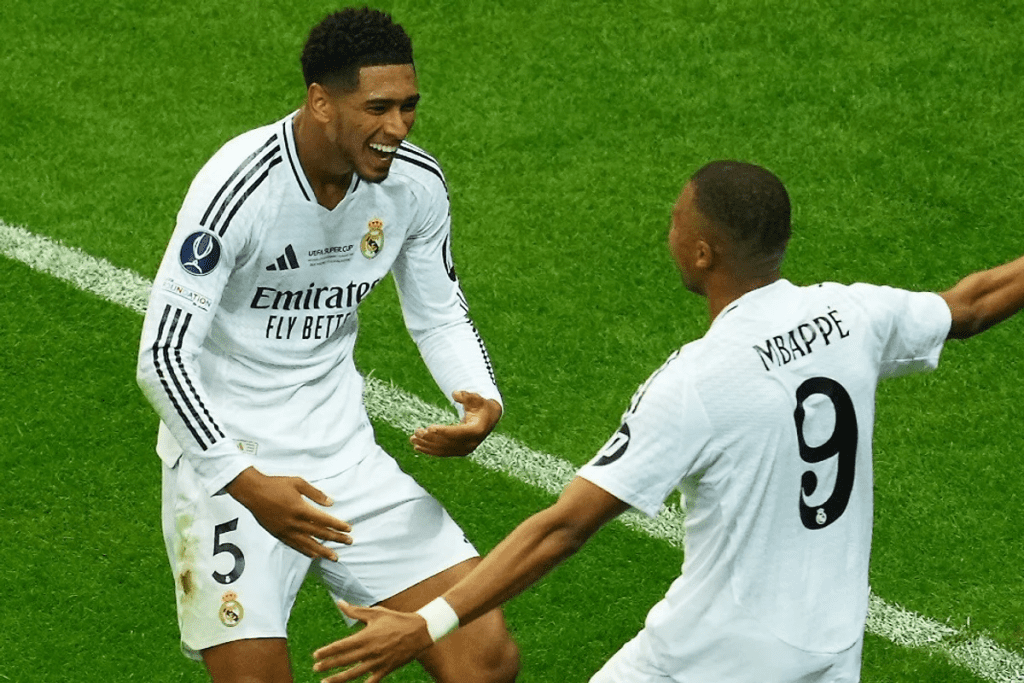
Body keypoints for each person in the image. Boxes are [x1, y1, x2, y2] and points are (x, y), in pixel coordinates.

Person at [311, 160, 1024, 683]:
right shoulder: (852, 313)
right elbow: (972, 304)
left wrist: (427, 621)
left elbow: (564, 525)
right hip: (830, 650)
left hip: (711, 657)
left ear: (703, 251)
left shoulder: (700, 379)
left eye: (676, 222)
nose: (669, 231)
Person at [136, 8, 520, 683]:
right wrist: (244, 482)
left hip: (343, 458)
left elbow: (437, 312)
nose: (397, 127)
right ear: (321, 102)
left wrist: (479, 398)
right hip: (229, 467)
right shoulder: (239, 188)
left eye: (408, 106)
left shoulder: (414, 183)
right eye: (377, 108)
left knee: (484, 659)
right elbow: (162, 357)